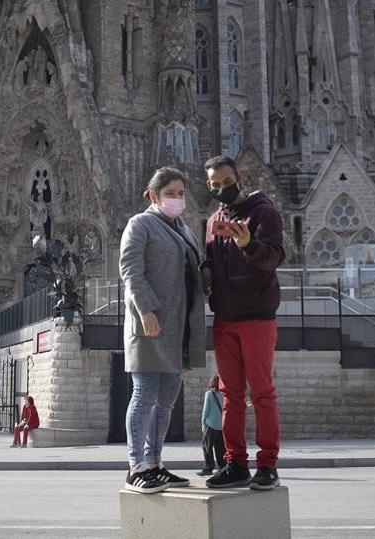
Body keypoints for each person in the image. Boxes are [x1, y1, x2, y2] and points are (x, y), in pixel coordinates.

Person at [200, 155, 285, 491]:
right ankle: (235, 463)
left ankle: (267, 465)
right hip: (224, 316)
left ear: (240, 176)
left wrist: (248, 244)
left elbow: (274, 256)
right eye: (214, 185)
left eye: (226, 181)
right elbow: (212, 259)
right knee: (230, 395)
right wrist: (205, 272)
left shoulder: (263, 211)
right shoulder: (213, 220)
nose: (221, 188)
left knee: (262, 393)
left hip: (257, 316)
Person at [119, 167, 206, 494]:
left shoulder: (184, 229)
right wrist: (145, 309)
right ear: (154, 196)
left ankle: (155, 464)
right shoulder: (140, 224)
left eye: (182, 193)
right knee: (144, 394)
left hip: (179, 326)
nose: (178, 198)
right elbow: (130, 268)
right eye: (171, 193)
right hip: (149, 322)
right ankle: (135, 466)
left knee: (167, 399)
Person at [197, 375, 226, 476]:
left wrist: (203, 423)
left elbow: (206, 410)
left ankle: (208, 468)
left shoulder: (209, 394)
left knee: (206, 446)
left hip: (211, 425)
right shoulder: (224, 395)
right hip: (221, 425)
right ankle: (223, 467)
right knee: (220, 448)